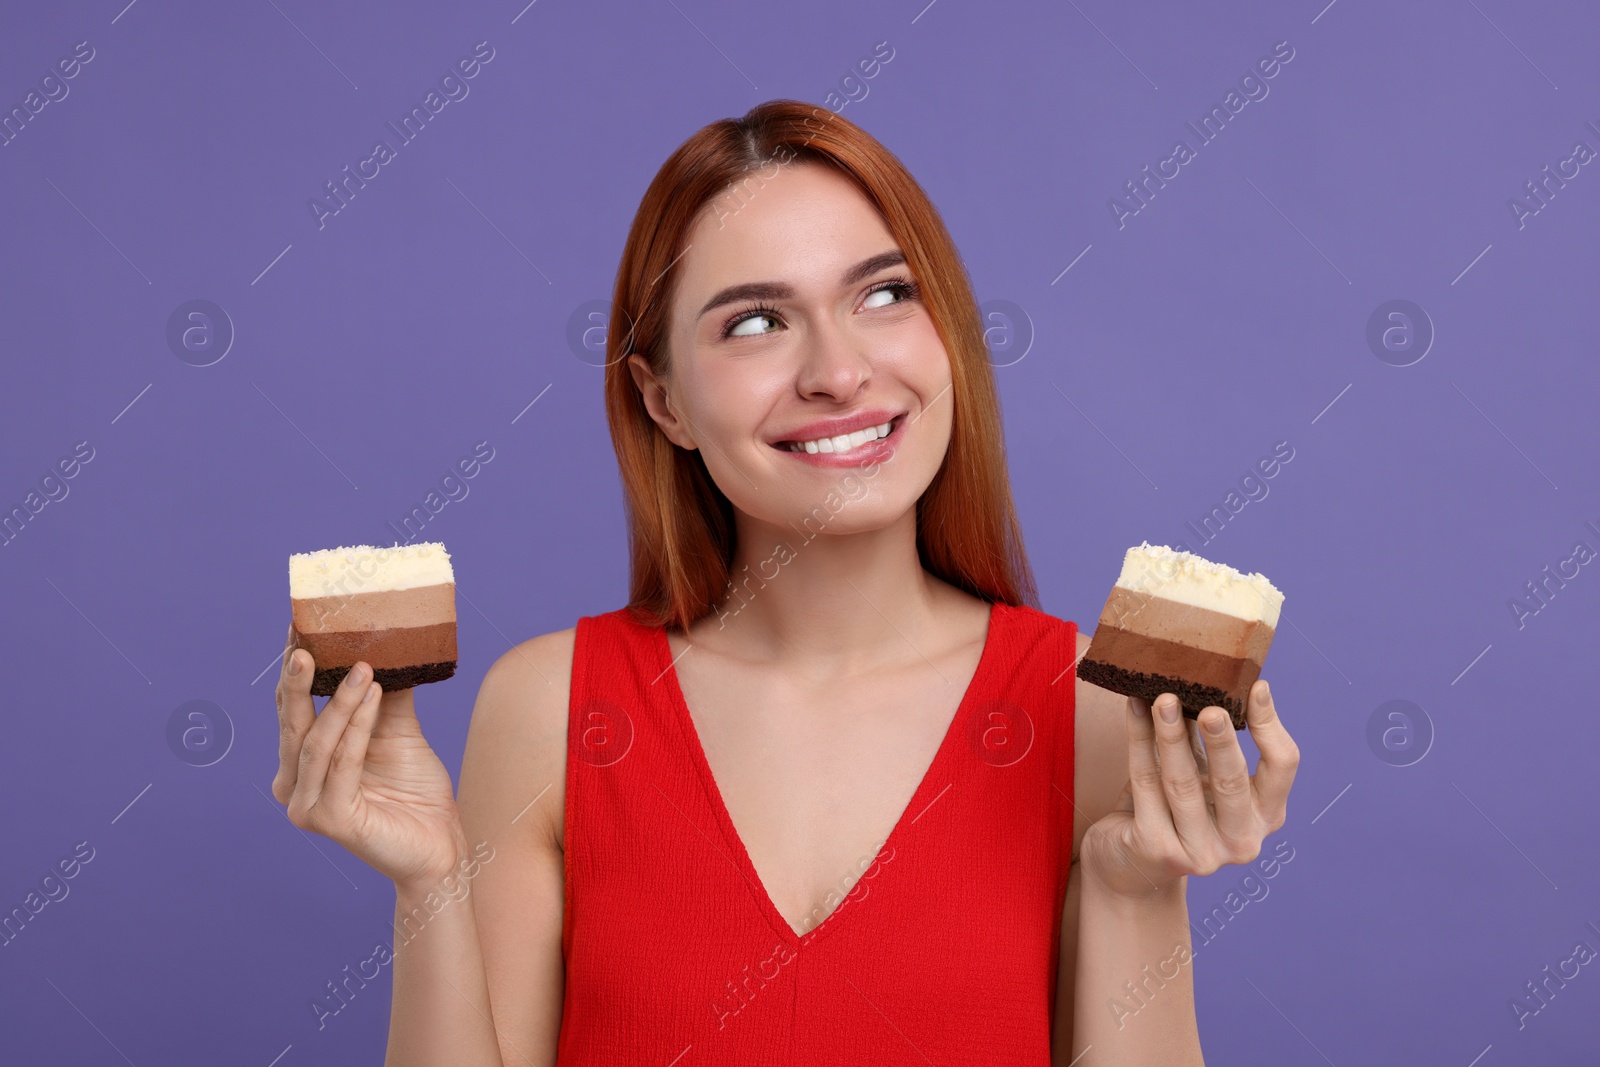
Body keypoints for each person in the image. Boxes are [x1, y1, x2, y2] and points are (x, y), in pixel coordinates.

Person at [272, 99, 1298, 1066]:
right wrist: (428, 882)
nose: (838, 371)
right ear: (661, 398)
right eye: (756, 322)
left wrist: (1131, 886)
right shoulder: (546, 707)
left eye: (886, 294)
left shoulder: (1087, 707)